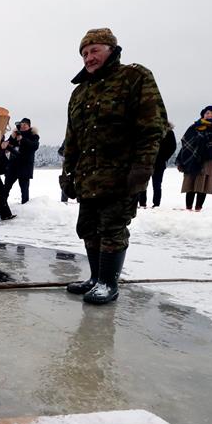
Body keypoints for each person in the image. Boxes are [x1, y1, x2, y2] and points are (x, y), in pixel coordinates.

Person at [60, 28, 166, 305]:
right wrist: (67, 173)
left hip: (120, 173)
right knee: (88, 227)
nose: (89, 57)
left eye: (95, 50)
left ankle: (109, 283)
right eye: (84, 53)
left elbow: (153, 127)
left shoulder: (134, 77)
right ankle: (96, 278)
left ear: (111, 49)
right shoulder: (80, 92)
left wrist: (142, 167)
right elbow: (71, 138)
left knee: (112, 228)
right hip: (88, 174)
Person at [175, 106, 212, 211]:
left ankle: (198, 207)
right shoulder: (194, 127)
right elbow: (186, 142)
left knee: (204, 183)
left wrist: (205, 141)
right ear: (203, 114)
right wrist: (198, 141)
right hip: (193, 158)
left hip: (209, 159)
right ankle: (188, 207)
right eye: (208, 113)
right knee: (191, 181)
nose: (210, 115)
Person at [138, 121, 176, 208]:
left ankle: (156, 204)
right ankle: (142, 203)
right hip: (145, 161)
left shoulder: (169, 132)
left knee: (157, 184)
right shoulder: (145, 129)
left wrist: (163, 158)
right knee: (142, 183)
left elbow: (172, 147)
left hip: (159, 162)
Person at [4, 117, 40, 204]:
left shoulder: (34, 136)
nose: (23, 126)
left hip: (25, 167)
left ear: (29, 127)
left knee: (24, 191)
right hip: (12, 166)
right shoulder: (15, 135)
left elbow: (34, 146)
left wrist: (23, 139)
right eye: (21, 124)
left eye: (25, 125)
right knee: (5, 189)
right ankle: (2, 207)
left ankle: (25, 210)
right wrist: (12, 137)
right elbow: (6, 146)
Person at [0, 133, 17, 220]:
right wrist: (1, 148)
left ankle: (6, 214)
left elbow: (15, 152)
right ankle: (5, 214)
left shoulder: (1, 141)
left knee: (0, 193)